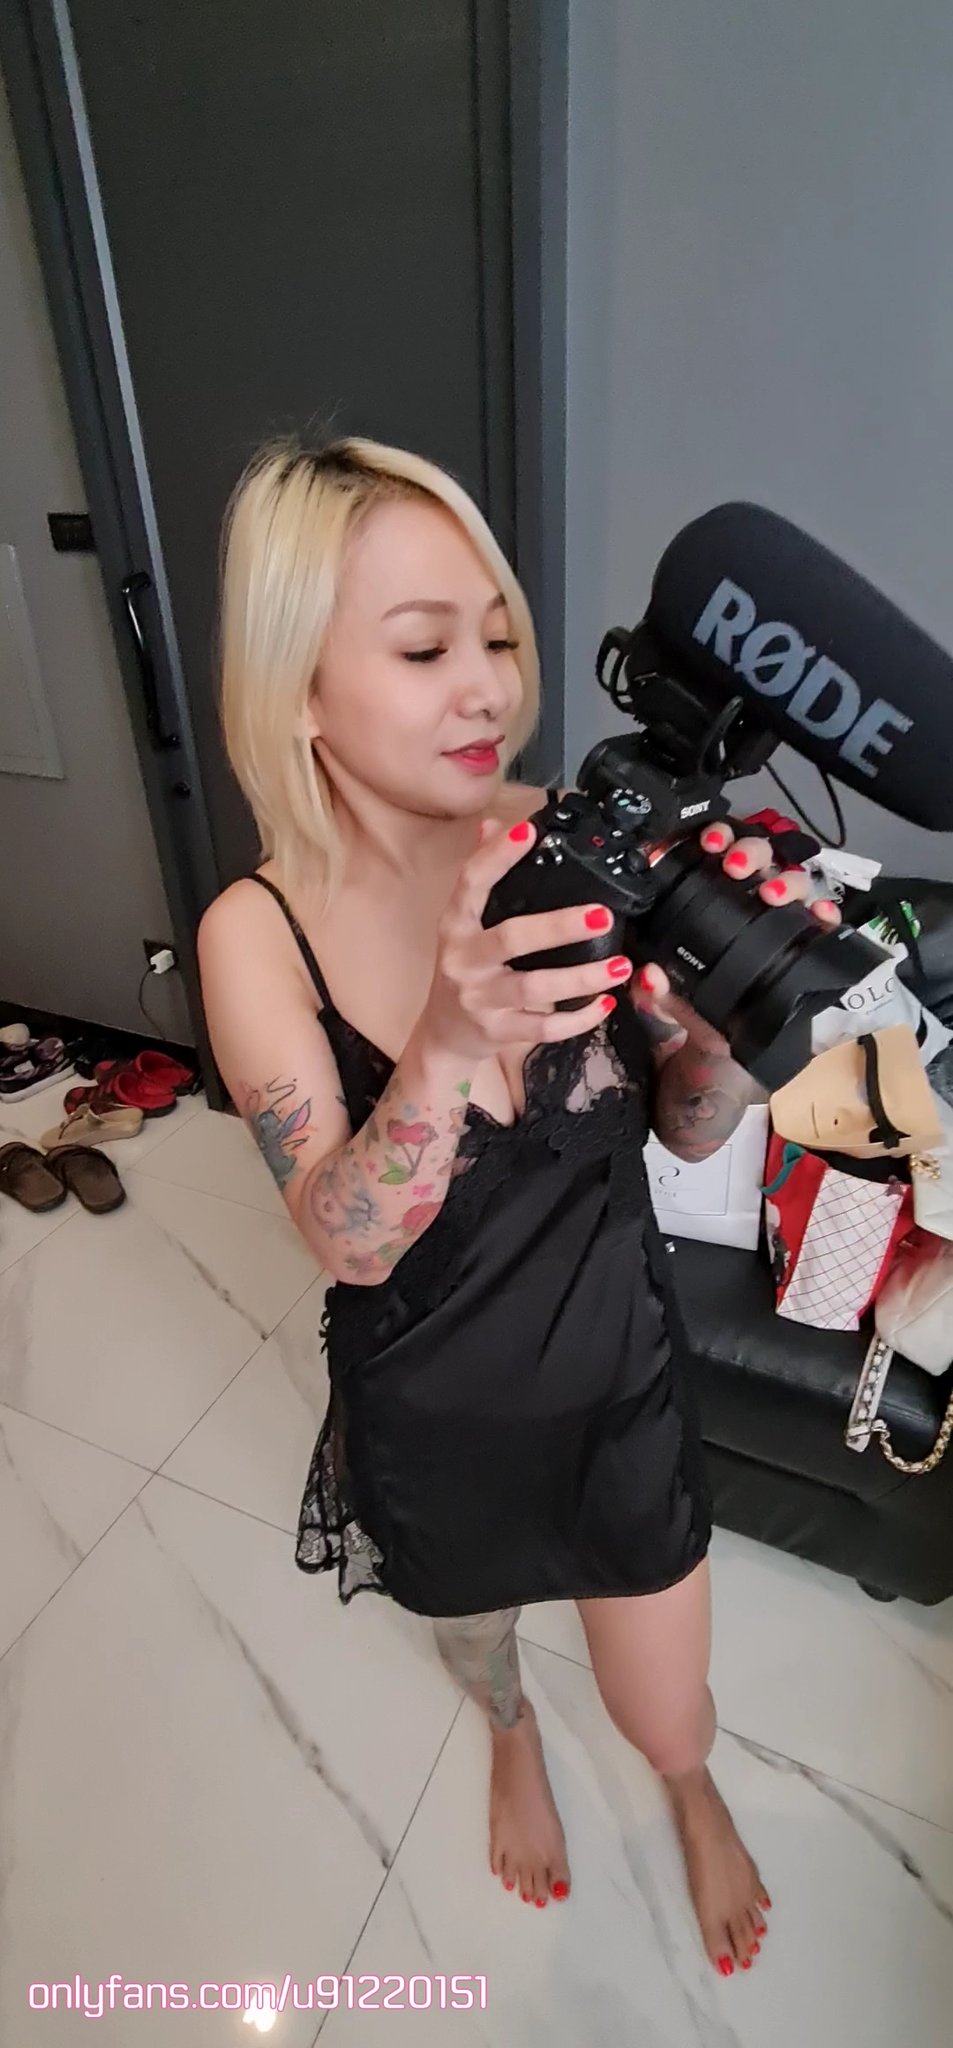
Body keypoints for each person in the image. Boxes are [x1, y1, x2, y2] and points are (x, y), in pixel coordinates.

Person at [198, 437, 839, 1976]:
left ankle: (685, 1788)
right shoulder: (255, 932)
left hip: (616, 1374)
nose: (488, 686)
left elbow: (683, 1126)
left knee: (666, 1710)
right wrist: (442, 1040)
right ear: (297, 688)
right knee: (479, 1639)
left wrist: (720, 1038)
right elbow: (346, 1239)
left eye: (495, 636)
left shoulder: (571, 846)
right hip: (437, 1410)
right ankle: (506, 1738)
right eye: (424, 648)